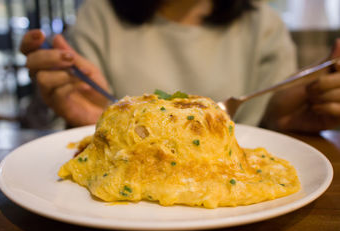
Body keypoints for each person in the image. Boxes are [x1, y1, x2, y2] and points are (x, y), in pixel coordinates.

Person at [20, 0, 340, 132]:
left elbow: (269, 127)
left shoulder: (263, 22)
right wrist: (99, 119)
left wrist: (285, 117)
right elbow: (78, 122)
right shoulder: (98, 15)